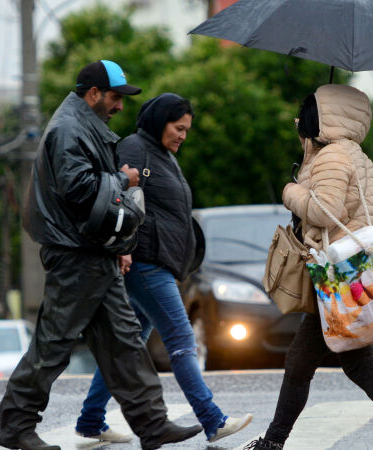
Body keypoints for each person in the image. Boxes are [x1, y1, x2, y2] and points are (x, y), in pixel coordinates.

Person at [0, 61, 203, 450]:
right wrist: (123, 179)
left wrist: (120, 243)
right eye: (114, 97)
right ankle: (16, 427)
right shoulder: (68, 130)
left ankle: (153, 425)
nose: (120, 106)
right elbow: (79, 190)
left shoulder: (83, 126)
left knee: (125, 342)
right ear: (93, 93)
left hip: (94, 254)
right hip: (75, 256)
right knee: (53, 345)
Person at [245, 84, 373, 450]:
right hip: (352, 275)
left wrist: (291, 191)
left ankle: (273, 443)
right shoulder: (354, 154)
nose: (298, 124)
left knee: (309, 364)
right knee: (345, 365)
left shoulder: (333, 157)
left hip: (344, 277)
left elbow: (325, 211)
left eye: (303, 116)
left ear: (318, 120)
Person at [73, 93, 253, 444]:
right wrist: (124, 248)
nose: (183, 135)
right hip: (145, 262)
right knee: (182, 340)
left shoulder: (164, 156)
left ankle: (91, 420)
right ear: (160, 122)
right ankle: (212, 420)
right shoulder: (134, 149)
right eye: (178, 127)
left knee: (128, 346)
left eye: (187, 130)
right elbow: (116, 199)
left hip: (160, 263)